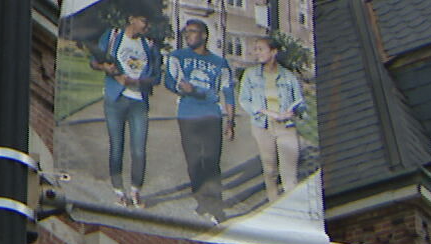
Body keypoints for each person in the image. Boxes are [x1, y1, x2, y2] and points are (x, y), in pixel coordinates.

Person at [164, 19, 234, 221]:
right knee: (194, 162)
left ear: (204, 35)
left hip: (211, 115)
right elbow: (168, 81)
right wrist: (181, 88)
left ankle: (216, 208)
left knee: (211, 162)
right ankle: (202, 199)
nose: (187, 36)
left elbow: (228, 90)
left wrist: (230, 120)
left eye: (192, 32)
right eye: (186, 32)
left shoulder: (219, 62)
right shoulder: (178, 56)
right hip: (187, 114)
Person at [91, 11, 159, 207]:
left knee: (139, 149)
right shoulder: (112, 36)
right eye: (144, 20)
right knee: (117, 147)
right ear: (132, 19)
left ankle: (136, 190)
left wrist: (136, 81)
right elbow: (94, 62)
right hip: (116, 99)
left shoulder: (150, 45)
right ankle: (119, 190)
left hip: (139, 101)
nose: (147, 27)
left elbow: (156, 77)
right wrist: (107, 69)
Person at [237, 35, 304, 200]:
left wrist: (294, 112)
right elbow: (244, 99)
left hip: (286, 128)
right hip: (262, 127)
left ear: (273, 52)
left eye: (260, 49)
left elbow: (301, 103)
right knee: (270, 170)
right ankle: (273, 202)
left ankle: (292, 207)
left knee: (289, 174)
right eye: (255, 50)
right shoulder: (250, 75)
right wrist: (266, 112)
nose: (256, 53)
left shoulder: (289, 77)